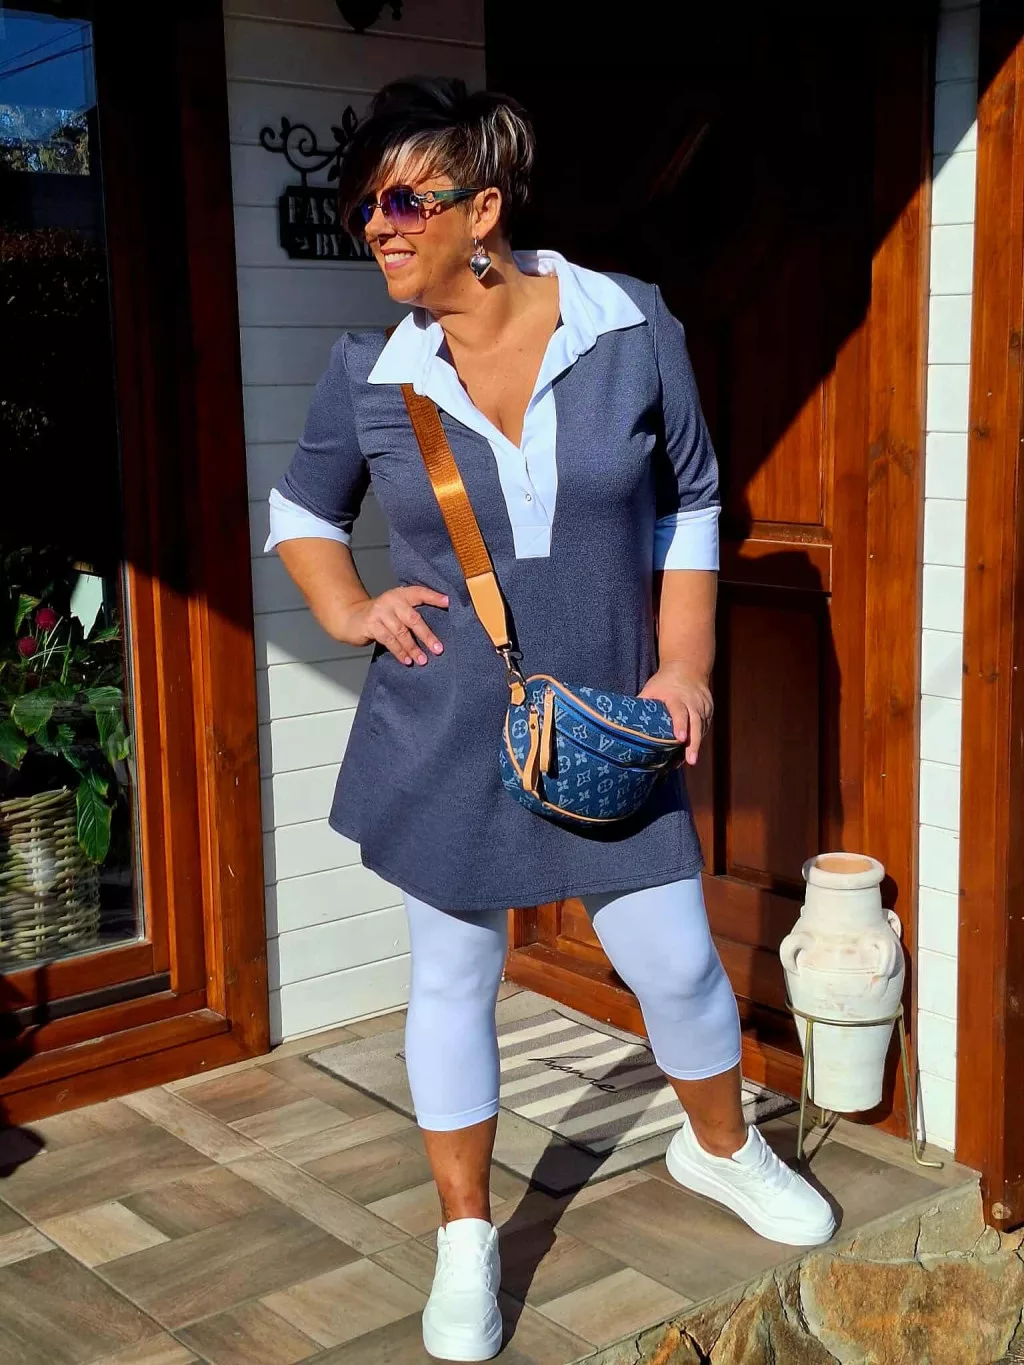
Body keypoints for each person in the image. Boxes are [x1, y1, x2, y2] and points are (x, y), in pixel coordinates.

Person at [266, 76, 834, 1363]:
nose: (376, 226)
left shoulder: (629, 325)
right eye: (364, 206)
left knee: (674, 963)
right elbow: (302, 513)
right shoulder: (374, 372)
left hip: (608, 721)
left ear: (484, 210)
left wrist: (682, 664)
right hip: (442, 727)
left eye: (403, 202)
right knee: (454, 977)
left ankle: (718, 1149)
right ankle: (466, 1234)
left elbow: (692, 498)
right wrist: (348, 605)